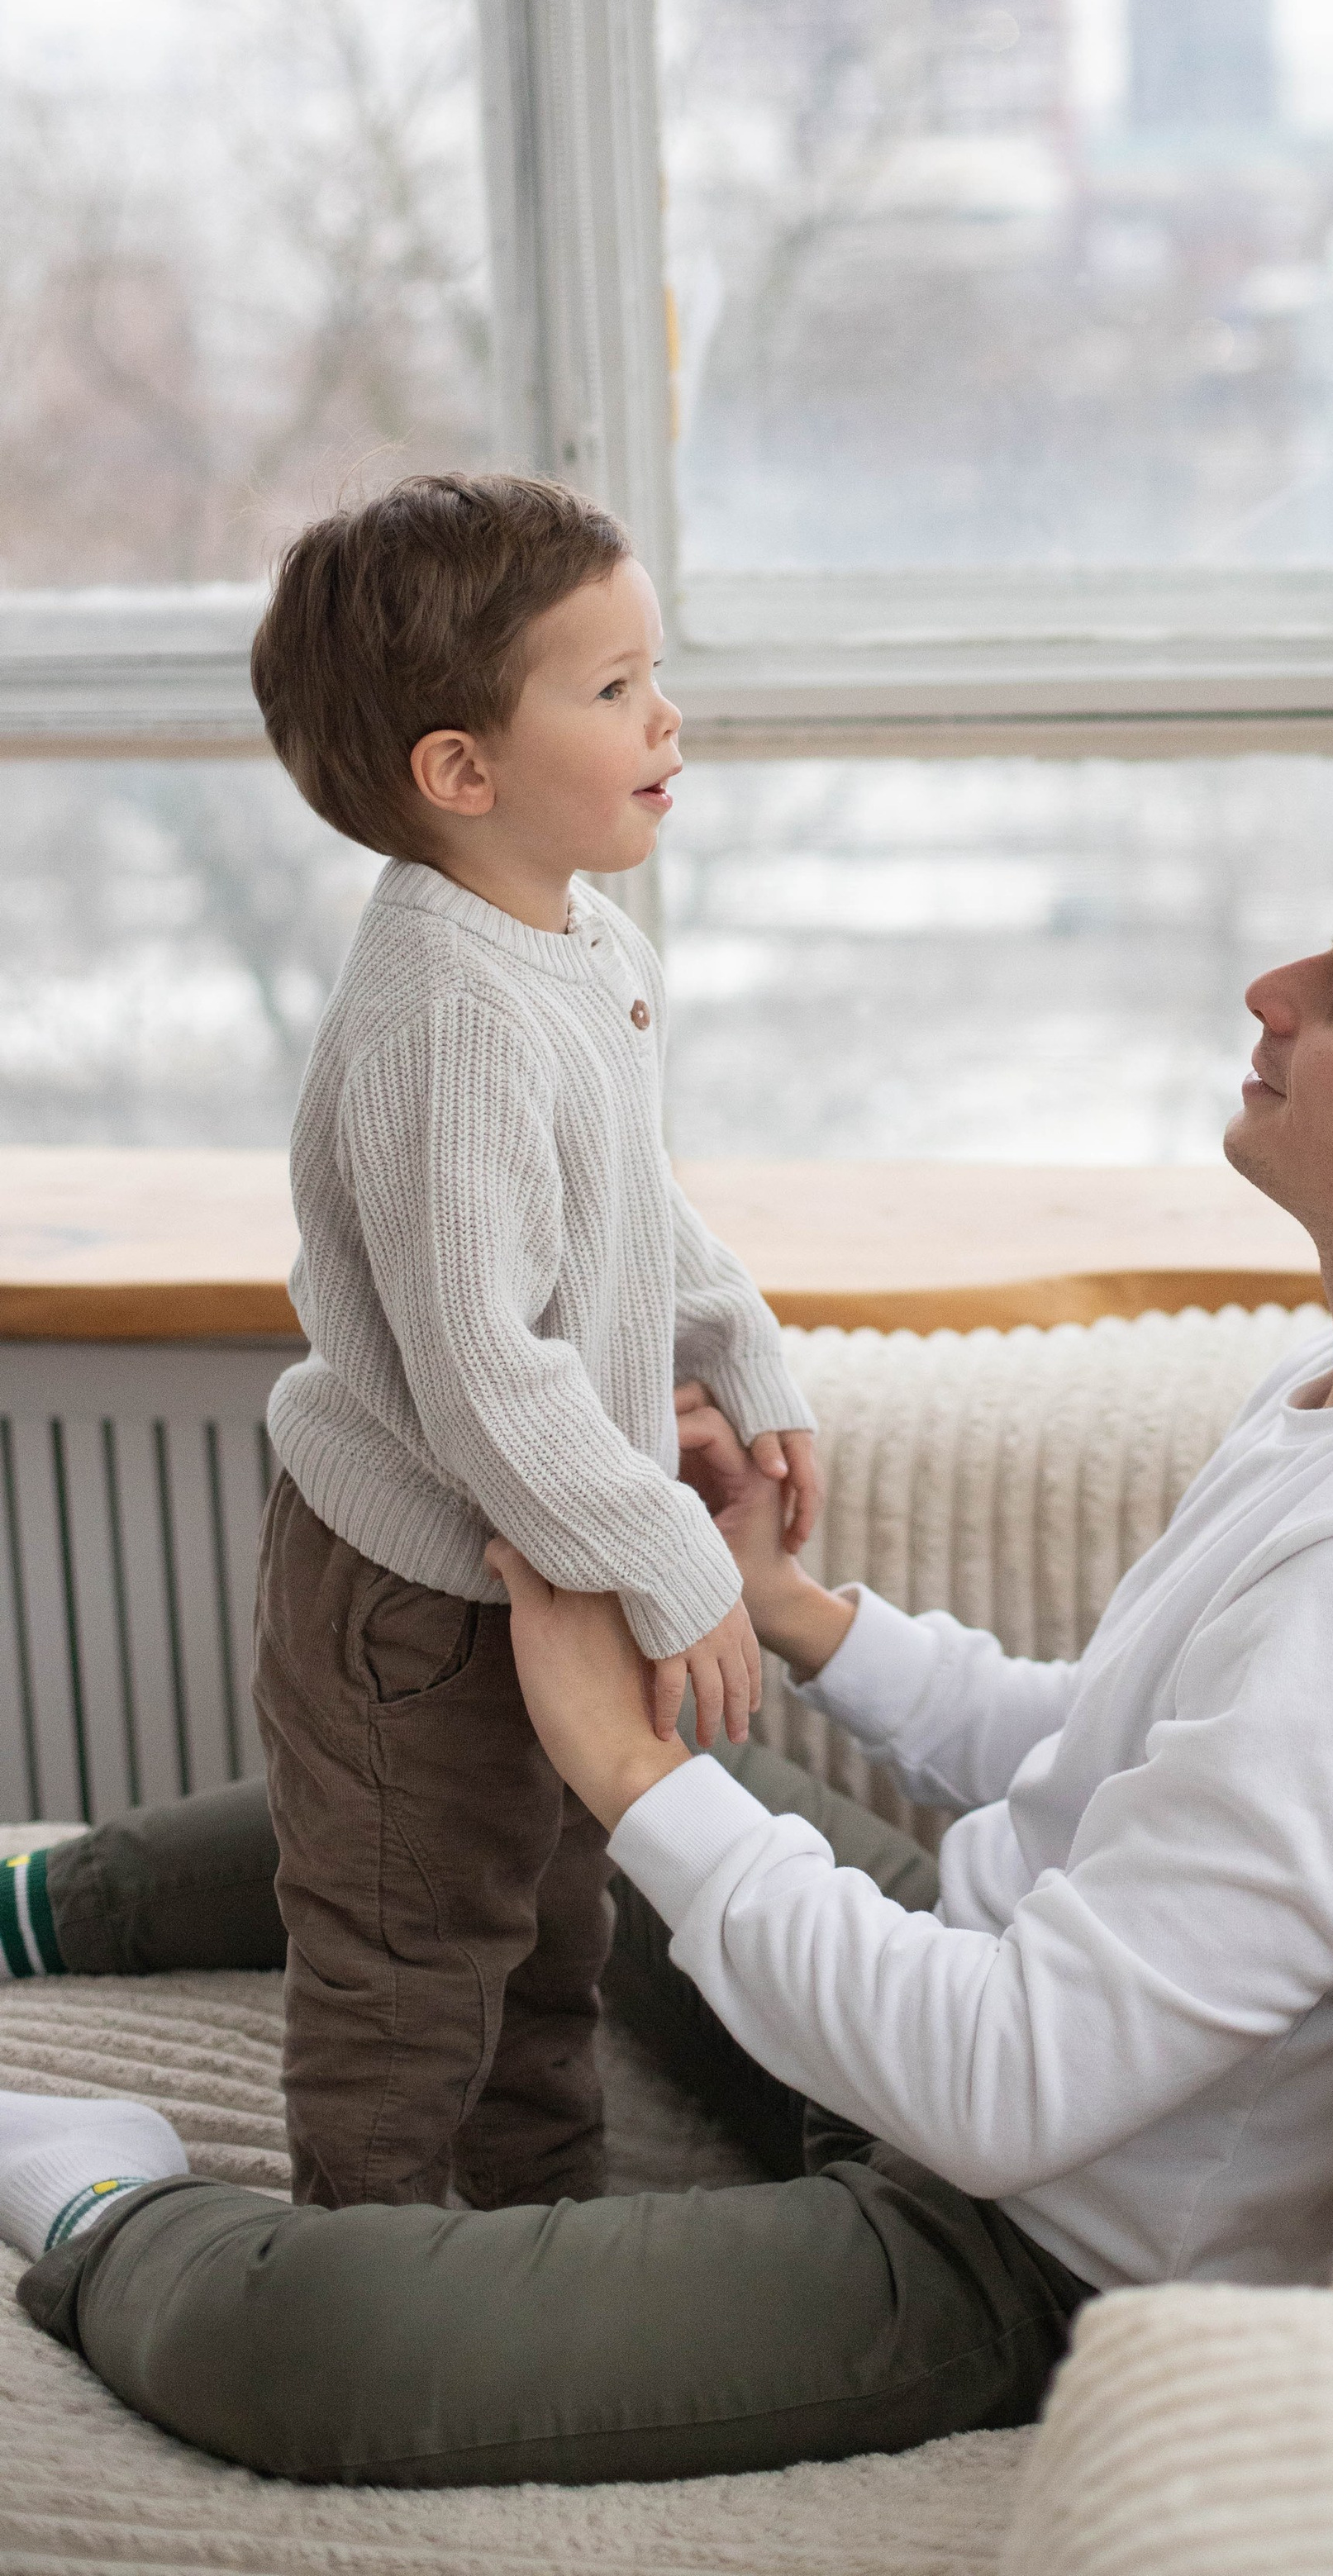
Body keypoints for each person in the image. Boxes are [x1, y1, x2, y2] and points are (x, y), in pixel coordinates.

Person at [2, 770, 1333, 2488]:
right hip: (973, 1974)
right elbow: (1113, 1746)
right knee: (498, 1758)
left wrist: (633, 1773)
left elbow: (1013, 2090)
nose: (1269, 993)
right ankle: (45, 1901)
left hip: (1027, 2235)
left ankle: (97, 2185)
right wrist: (791, 1612)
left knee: (302, 2345)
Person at [183, 472, 820, 2217]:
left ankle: (540, 2237)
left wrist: (737, 1345)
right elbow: (483, 1372)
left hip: (543, 1559)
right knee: (415, 1950)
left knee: (553, 1919)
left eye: (653, 670)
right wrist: (663, 1550)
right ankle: (370, 2272)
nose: (666, 715)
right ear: (461, 773)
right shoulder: (449, 1018)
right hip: (421, 1597)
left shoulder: (576, 940)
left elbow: (628, 1198)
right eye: (611, 688)